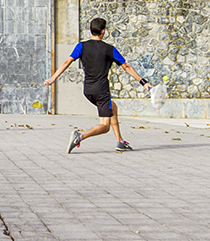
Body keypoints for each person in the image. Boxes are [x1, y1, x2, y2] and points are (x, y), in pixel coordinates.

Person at [45, 17, 151, 153]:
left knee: (113, 108)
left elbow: (67, 62)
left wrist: (53, 78)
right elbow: (126, 66)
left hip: (88, 90)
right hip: (101, 91)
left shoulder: (81, 46)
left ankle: (120, 141)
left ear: (90, 30)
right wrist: (143, 82)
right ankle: (80, 136)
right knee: (104, 126)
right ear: (103, 31)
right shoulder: (109, 49)